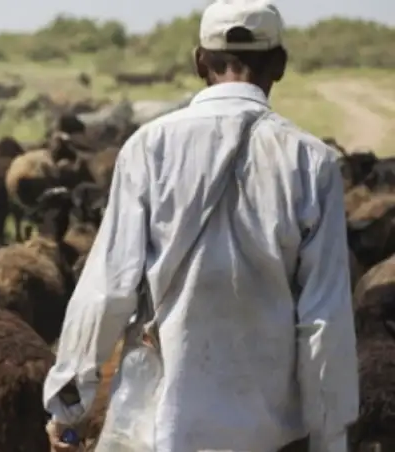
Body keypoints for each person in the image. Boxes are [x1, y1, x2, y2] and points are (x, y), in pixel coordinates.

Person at [43, 1, 360, 451]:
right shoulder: (313, 163)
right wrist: (330, 439)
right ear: (281, 64)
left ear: (198, 62)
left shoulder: (147, 148)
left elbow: (107, 290)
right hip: (270, 435)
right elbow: (323, 321)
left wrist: (68, 412)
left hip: (158, 428)